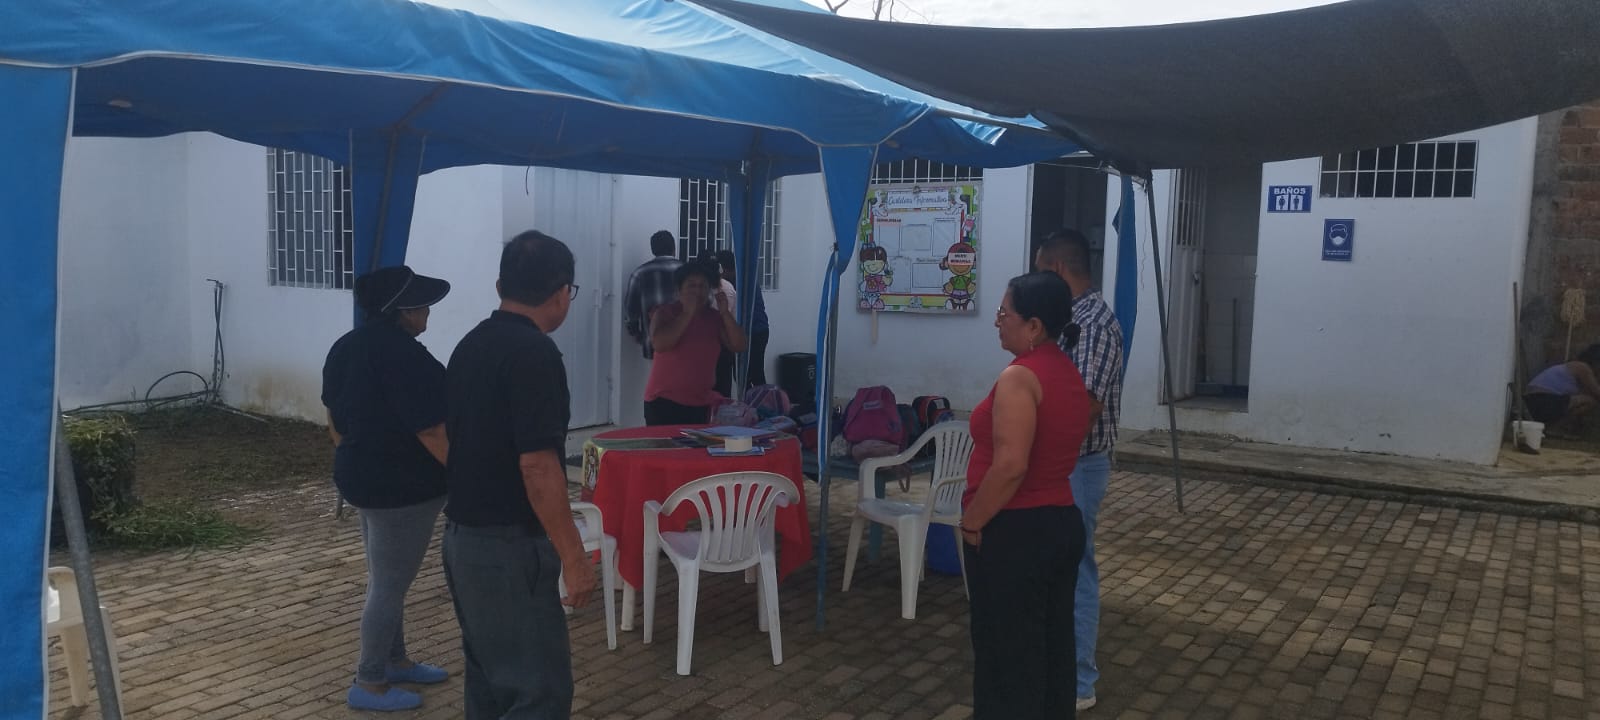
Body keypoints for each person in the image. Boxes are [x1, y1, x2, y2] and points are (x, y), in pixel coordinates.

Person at [442, 230, 596, 719]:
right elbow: (538, 466)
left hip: (464, 540)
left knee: (490, 684)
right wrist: (573, 556)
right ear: (562, 293)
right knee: (537, 694)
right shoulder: (535, 354)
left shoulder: (470, 345)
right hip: (507, 549)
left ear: (500, 286)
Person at [959, 271, 1093, 720]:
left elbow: (1011, 465)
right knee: (1052, 651)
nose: (997, 322)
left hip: (1016, 530)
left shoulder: (1021, 376)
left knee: (1007, 659)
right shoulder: (1066, 371)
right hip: (1058, 522)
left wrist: (973, 520)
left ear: (1034, 325)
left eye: (1004, 313)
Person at [320, 265, 453, 712]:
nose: (428, 310)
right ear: (403, 311)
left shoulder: (347, 346)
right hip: (403, 489)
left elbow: (332, 415)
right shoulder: (406, 357)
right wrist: (466, 476)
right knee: (389, 584)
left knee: (386, 577)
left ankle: (395, 661)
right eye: (422, 304)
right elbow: (432, 430)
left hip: (361, 479)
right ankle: (370, 681)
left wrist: (354, 455)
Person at [1035, 228, 1125, 713]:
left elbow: (1085, 407)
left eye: (1039, 270)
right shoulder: (1070, 320)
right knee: (1058, 566)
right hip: (1063, 463)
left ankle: (1079, 681)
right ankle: (1058, 668)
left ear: (1057, 269)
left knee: (1076, 568)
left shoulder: (1092, 325)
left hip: (1077, 464)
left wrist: (1047, 456)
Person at [644, 259, 747, 425]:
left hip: (702, 403)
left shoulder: (714, 317)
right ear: (679, 290)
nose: (697, 291)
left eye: (703, 286)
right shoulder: (664, 313)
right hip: (664, 402)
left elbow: (739, 345)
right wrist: (687, 314)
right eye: (691, 285)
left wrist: (725, 313)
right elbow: (660, 344)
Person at [623, 230, 683, 359]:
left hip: (654, 344)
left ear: (653, 250)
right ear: (674, 248)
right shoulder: (687, 270)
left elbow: (630, 311)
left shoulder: (640, 273)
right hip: (684, 341)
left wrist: (638, 335)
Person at [1524, 344, 1600, 431]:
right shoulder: (1582, 368)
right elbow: (1597, 393)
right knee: (1590, 401)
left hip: (1530, 404)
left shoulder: (1572, 366)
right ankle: (1557, 428)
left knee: (1582, 400)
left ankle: (1553, 428)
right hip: (1541, 401)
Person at [706, 250, 740, 398]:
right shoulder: (727, 287)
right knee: (722, 392)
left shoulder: (701, 288)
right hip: (723, 347)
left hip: (713, 347)